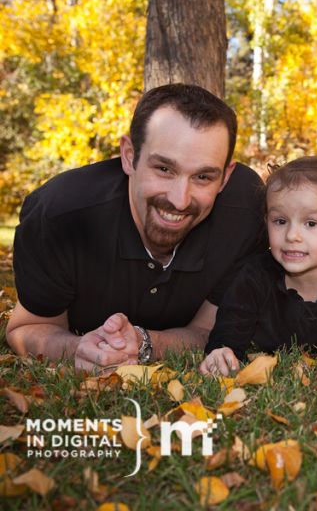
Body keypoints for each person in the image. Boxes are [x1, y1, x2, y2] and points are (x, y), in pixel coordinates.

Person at [6, 83, 267, 372]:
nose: (180, 201)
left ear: (226, 177)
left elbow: (208, 330)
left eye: (204, 176)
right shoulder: (59, 214)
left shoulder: (246, 214)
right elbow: (27, 329)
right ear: (129, 155)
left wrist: (144, 343)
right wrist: (78, 349)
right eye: (164, 169)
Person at [199, 156, 317, 376]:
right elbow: (226, 336)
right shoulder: (254, 275)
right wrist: (221, 353)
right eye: (280, 221)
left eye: (311, 223)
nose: (292, 235)